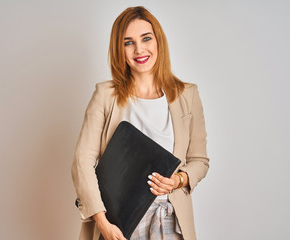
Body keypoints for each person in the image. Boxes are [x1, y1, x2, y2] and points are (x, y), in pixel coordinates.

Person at [71, 6, 209, 240]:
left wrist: (177, 180)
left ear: (158, 41)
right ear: (119, 49)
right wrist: (103, 223)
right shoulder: (105, 95)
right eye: (128, 42)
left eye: (146, 38)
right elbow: (82, 163)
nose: (139, 49)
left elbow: (200, 160)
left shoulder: (188, 95)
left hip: (170, 219)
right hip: (119, 222)